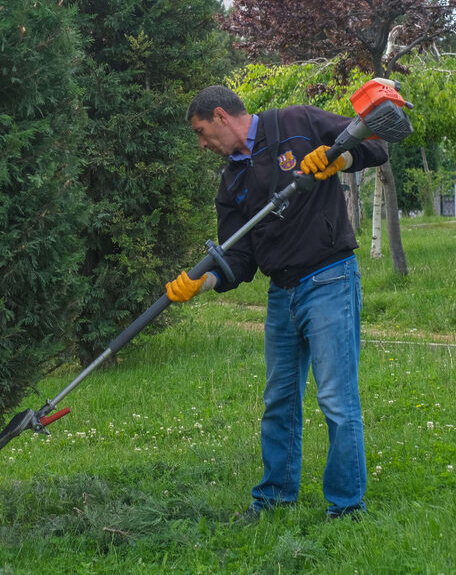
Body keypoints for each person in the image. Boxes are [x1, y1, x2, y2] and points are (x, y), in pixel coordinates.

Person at [166, 85, 388, 521]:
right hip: (280, 292)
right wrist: (201, 282)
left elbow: (377, 143)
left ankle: (346, 507)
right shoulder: (231, 181)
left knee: (337, 400)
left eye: (202, 132)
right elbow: (239, 259)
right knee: (279, 401)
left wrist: (338, 160)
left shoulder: (296, 123)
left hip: (329, 278)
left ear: (221, 116)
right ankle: (273, 499)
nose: (202, 144)